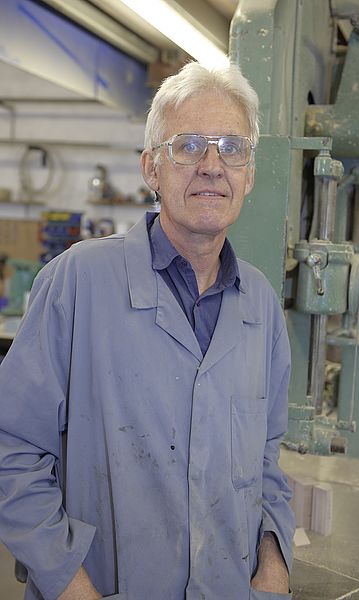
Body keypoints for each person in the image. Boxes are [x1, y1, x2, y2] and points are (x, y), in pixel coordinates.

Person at [0, 62, 295, 600]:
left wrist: (273, 566)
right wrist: (70, 585)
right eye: (188, 145)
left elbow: (267, 460)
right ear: (151, 168)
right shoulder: (78, 281)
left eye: (232, 147)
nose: (212, 165)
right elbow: (10, 448)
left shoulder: (262, 307)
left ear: (249, 173)